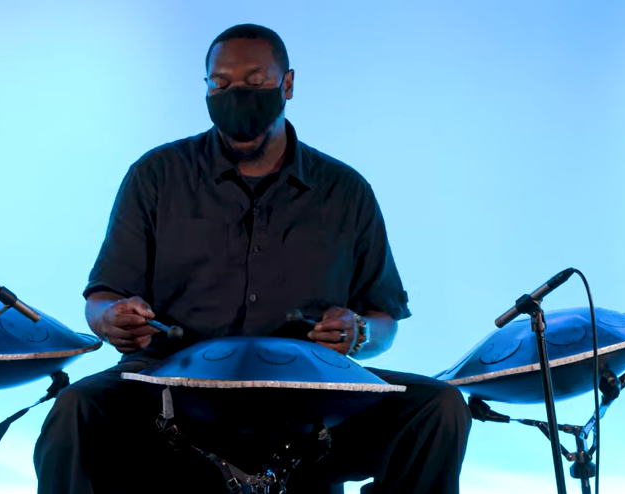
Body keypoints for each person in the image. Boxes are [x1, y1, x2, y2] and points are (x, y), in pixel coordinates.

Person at [34, 23, 471, 494]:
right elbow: (103, 296)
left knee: (439, 406)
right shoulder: (156, 176)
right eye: (219, 84)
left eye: (255, 81)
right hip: (175, 389)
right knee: (75, 410)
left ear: (287, 84)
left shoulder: (346, 191)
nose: (235, 93)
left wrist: (359, 332)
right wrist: (110, 319)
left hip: (307, 400)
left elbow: (383, 319)